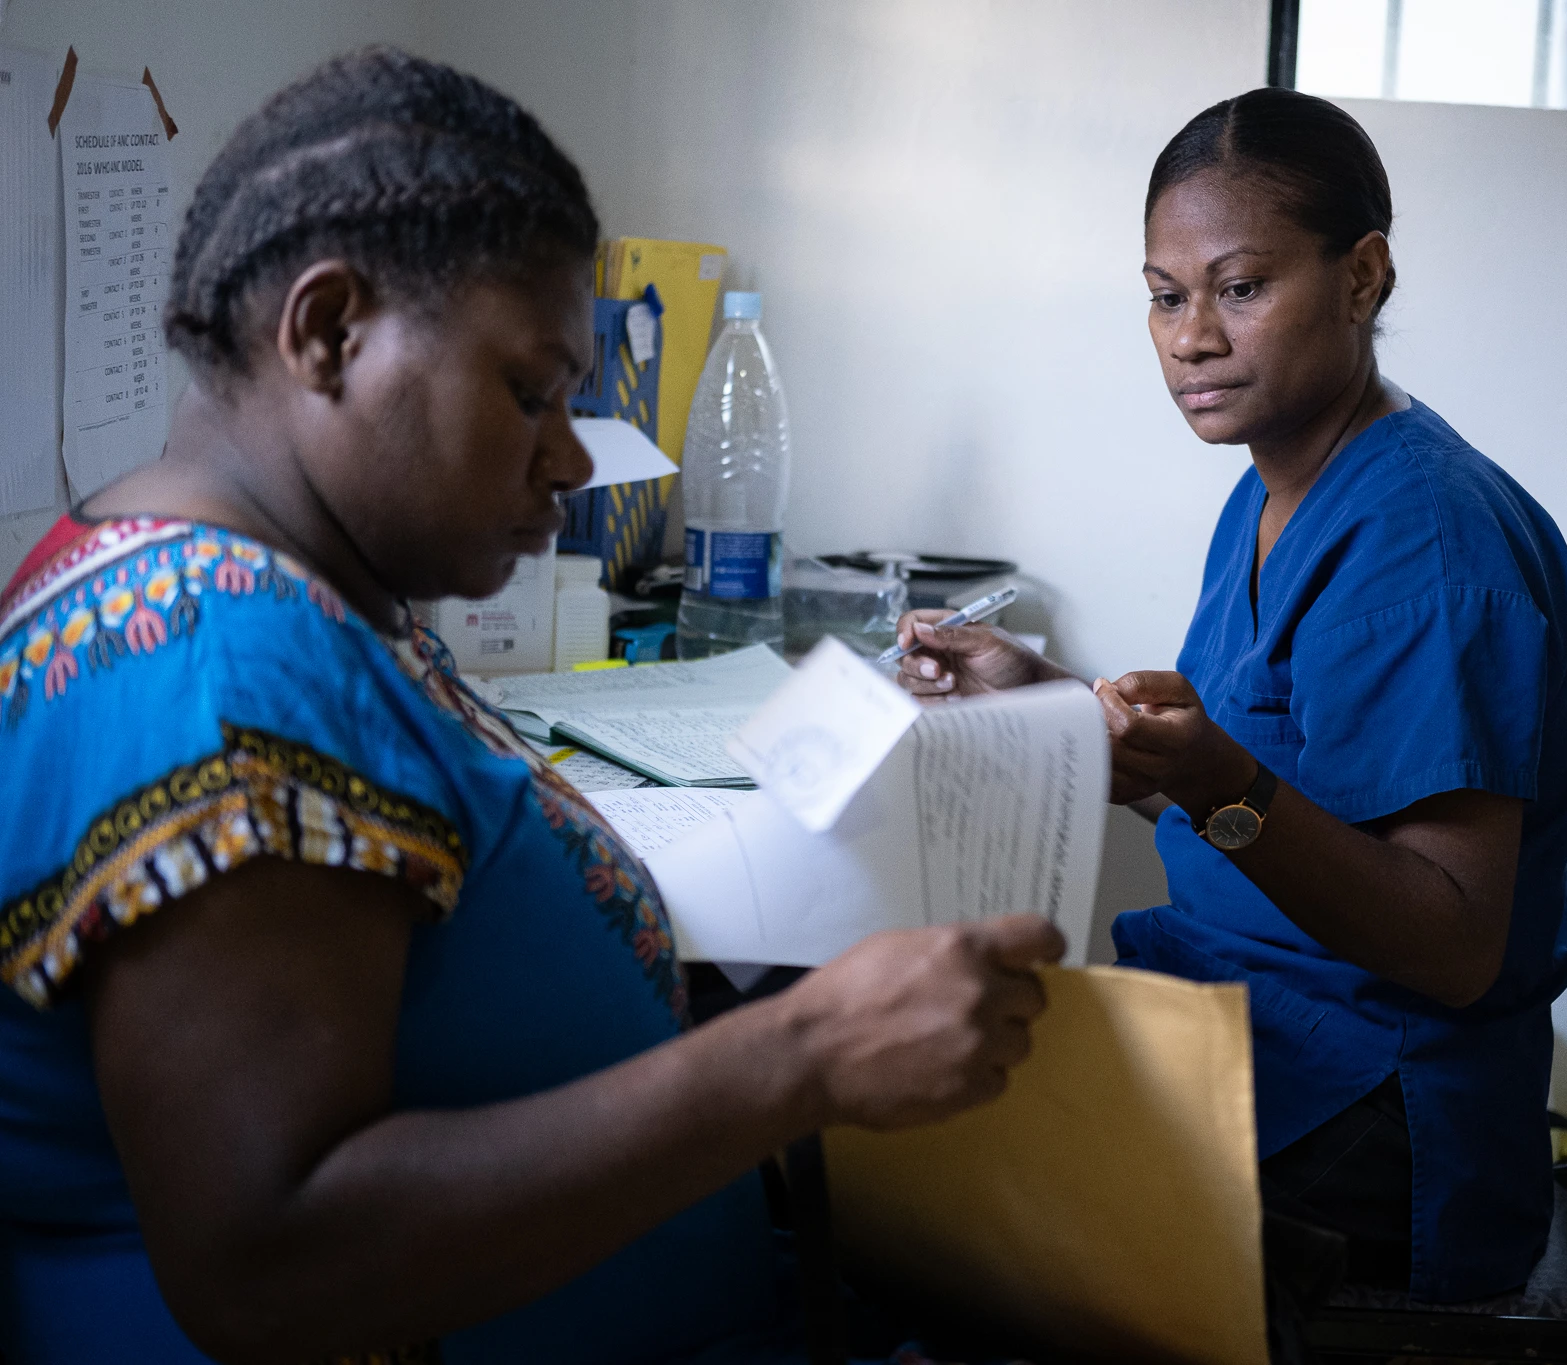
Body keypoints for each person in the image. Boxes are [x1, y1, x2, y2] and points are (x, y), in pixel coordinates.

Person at [0, 48, 1063, 1364]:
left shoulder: (293, 594)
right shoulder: (220, 668)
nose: (569, 457)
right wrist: (800, 1055)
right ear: (329, 331)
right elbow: (272, 1265)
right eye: (531, 391)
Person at [894, 87, 1567, 1306]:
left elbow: (1450, 946)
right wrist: (1039, 701)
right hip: (1257, 1029)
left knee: (885, 1172)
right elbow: (1221, 776)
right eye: (1164, 296)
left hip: (1377, 1117)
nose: (1190, 337)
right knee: (887, 1097)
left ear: (1362, 277)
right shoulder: (1273, 490)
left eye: (1239, 287)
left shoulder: (1422, 543)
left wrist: (1223, 785)